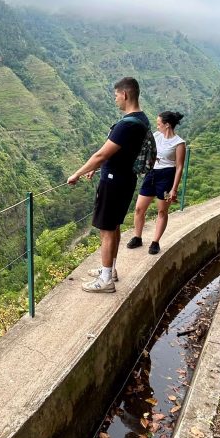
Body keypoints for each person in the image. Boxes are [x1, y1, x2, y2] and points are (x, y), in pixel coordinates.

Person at [67, 77, 150, 292]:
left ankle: (106, 281)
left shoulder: (125, 125)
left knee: (105, 230)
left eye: (115, 96)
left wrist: (77, 173)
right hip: (125, 179)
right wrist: (97, 166)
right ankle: (109, 269)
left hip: (113, 182)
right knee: (114, 226)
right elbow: (114, 153)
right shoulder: (142, 119)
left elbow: (102, 153)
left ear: (124, 94)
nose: (115, 100)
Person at [126, 110, 186, 256]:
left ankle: (155, 242)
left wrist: (174, 189)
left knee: (162, 211)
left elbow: (179, 167)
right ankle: (137, 237)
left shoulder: (179, 143)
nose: (157, 126)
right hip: (152, 174)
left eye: (159, 123)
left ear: (167, 125)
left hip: (167, 177)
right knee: (139, 208)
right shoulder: (156, 135)